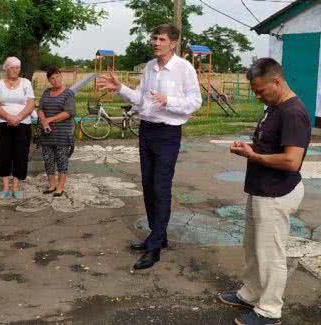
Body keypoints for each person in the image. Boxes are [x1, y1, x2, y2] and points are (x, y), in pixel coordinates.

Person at [97, 23, 202, 270]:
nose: (156, 42)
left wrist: (169, 101)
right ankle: (159, 235)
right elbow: (142, 99)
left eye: (161, 39)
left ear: (173, 43)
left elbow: (195, 102)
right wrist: (120, 88)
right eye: (154, 38)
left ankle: (154, 248)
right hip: (147, 130)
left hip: (168, 133)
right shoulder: (150, 67)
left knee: (161, 187)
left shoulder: (184, 69)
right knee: (147, 185)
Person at [218, 58, 310, 325]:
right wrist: (248, 148)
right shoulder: (274, 106)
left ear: (277, 81)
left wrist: (253, 156)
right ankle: (250, 293)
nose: (257, 96)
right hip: (261, 189)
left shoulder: (293, 112)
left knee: (270, 254)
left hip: (276, 193)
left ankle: (269, 311)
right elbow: (269, 146)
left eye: (260, 90)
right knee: (254, 248)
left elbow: (292, 161)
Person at [0, 57, 36, 200]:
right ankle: (5, 186)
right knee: (3, 154)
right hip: (2, 123)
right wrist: (9, 117)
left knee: (20, 154)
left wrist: (19, 117)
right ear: (6, 68)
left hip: (23, 123)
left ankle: (15, 186)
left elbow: (31, 103)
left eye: (18, 67)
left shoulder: (26, 83)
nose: (15, 70)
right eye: (12, 67)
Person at [37, 67, 76, 196]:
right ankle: (52, 185)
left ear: (61, 76)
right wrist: (44, 121)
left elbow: (68, 112)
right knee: (48, 160)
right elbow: (40, 108)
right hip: (46, 134)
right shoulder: (46, 92)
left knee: (61, 160)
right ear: (49, 80)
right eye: (52, 78)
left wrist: (50, 119)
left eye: (57, 76)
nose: (55, 80)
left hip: (62, 134)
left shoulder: (68, 93)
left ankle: (60, 187)